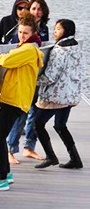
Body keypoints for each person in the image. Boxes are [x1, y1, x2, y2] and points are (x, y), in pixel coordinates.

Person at [0, 13, 44, 191]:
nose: (22, 36)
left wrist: (0, 55)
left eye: (26, 33)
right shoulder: (26, 48)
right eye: (20, 32)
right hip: (15, 98)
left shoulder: (28, 49)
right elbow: (15, 74)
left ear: (33, 33)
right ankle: (6, 174)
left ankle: (1, 178)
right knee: (0, 134)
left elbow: (7, 61)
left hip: (15, 99)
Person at [6, 0, 51, 164]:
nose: (36, 12)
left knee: (35, 114)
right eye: (33, 8)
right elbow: (13, 48)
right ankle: (10, 148)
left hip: (39, 77)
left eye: (39, 9)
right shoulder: (23, 29)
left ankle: (29, 147)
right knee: (21, 115)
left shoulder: (44, 29)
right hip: (24, 79)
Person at [34, 19, 83, 169]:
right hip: (69, 94)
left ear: (66, 31)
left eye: (58, 29)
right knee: (60, 125)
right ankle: (75, 159)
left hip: (56, 95)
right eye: (54, 29)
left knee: (38, 123)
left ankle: (51, 156)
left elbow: (50, 77)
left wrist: (33, 81)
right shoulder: (76, 46)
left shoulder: (58, 50)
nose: (55, 32)